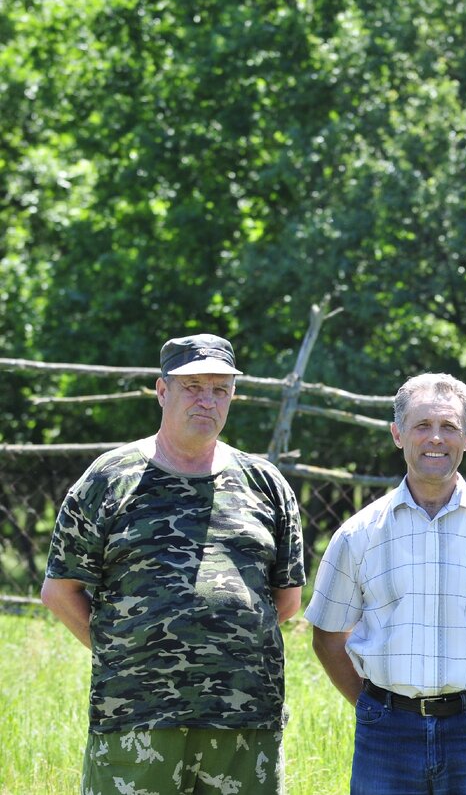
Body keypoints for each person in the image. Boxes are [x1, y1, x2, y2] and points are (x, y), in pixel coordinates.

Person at [41, 333, 306, 795]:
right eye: (193, 386)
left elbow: (285, 602)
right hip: (136, 718)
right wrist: (126, 653)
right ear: (163, 391)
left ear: (233, 397)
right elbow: (59, 591)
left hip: (244, 722)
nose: (207, 400)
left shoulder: (266, 484)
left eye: (220, 389)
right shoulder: (110, 479)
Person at [305, 372, 466, 795]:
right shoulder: (358, 534)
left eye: (449, 427)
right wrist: (376, 708)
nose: (436, 439)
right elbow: (328, 636)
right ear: (397, 435)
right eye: (422, 426)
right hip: (386, 733)